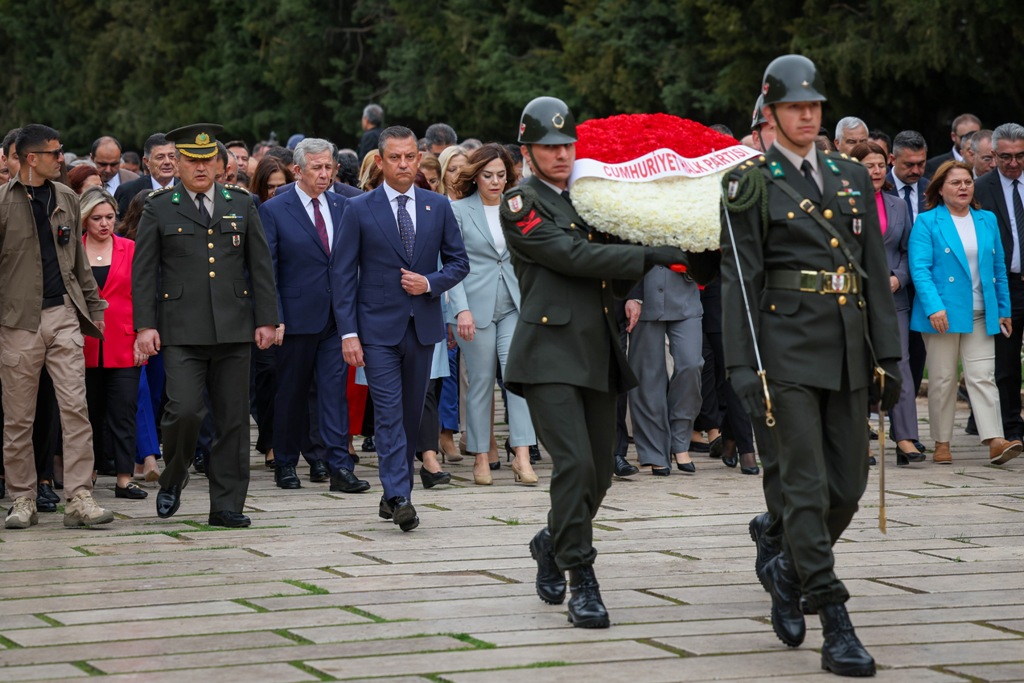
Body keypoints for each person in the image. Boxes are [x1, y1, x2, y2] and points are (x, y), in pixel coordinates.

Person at [501, 96, 715, 629]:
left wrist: (677, 237)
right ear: (528, 150)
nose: (561, 155)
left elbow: (611, 274)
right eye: (549, 147)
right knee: (574, 465)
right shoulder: (519, 202)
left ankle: (552, 539)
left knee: (599, 474)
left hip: (596, 348)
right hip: (548, 352)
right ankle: (583, 579)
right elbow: (570, 257)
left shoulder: (590, 202)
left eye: (567, 145)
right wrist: (651, 255)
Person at [721, 55, 901, 677]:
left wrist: (890, 355)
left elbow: (874, 273)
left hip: (849, 350)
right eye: (794, 106)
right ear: (770, 115)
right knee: (804, 486)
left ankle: (787, 568)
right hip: (785, 352)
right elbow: (740, 282)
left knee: (846, 489)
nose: (806, 114)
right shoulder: (751, 182)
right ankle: (835, 619)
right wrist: (744, 367)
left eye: (814, 105)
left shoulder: (852, 177)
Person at [133, 123, 278, 529]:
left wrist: (268, 318)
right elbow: (145, 272)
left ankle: (227, 504)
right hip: (180, 328)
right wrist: (145, 326)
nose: (200, 168)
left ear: (221, 164)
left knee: (233, 419)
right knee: (184, 410)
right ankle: (174, 475)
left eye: (208, 160)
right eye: (191, 160)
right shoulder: (160, 206)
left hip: (234, 326)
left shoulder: (241, 203)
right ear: (176, 164)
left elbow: (260, 267)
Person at [332, 125, 469, 533]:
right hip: (375, 328)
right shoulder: (359, 208)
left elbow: (459, 262)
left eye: (410, 156)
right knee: (389, 413)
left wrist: (429, 283)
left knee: (410, 415)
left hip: (422, 327)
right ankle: (400, 496)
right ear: (380, 160)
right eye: (395, 157)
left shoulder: (437, 206)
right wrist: (348, 332)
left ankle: (391, 492)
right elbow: (342, 275)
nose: (404, 164)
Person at [0, 124, 113, 529]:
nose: (61, 157)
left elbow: (79, 262)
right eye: (54, 152)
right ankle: (23, 499)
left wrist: (94, 308)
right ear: (32, 158)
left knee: (75, 409)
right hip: (16, 323)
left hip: (63, 315)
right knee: (18, 418)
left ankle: (80, 498)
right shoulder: (2, 202)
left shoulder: (66, 197)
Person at [260, 138, 369, 494]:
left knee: (333, 391)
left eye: (329, 168)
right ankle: (286, 462)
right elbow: (268, 269)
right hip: (294, 316)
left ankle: (339, 464)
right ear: (298, 170)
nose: (325, 175)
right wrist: (274, 315)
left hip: (337, 318)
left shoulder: (345, 204)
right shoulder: (276, 209)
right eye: (317, 168)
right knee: (290, 391)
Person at [908, 160, 1019, 465]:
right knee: (943, 379)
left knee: (983, 377)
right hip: (942, 313)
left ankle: (995, 440)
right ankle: (942, 442)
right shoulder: (928, 222)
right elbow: (920, 269)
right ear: (940, 189)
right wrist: (933, 307)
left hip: (982, 311)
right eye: (955, 183)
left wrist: (1003, 309)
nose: (963, 188)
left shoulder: (987, 220)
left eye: (968, 182)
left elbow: (998, 268)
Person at [448, 143, 538, 486]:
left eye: (502, 175)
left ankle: (523, 456)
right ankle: (481, 457)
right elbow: (452, 265)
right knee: (482, 381)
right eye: (488, 175)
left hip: (516, 303)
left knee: (518, 379)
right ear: (476, 176)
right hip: (474, 306)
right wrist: (461, 311)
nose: (496, 182)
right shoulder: (457, 210)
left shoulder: (517, 206)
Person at [851, 141, 926, 465]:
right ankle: (860, 442)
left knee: (899, 366)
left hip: (893, 298)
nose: (877, 171)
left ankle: (906, 438)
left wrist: (898, 276)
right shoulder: (844, 205)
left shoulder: (897, 205)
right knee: (857, 369)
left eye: (881, 164)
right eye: (869, 166)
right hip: (853, 299)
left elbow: (911, 250)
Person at [79, 187, 148, 499]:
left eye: (109, 217)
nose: (104, 223)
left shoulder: (130, 248)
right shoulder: (74, 250)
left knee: (123, 412)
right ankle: (87, 474)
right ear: (84, 220)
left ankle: (124, 477)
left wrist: (142, 337)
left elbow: (144, 295)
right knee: (87, 414)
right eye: (97, 218)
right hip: (83, 344)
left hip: (124, 342)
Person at [971, 123, 1024, 447]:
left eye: (1020, 156)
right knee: (1004, 360)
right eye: (1005, 157)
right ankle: (1010, 427)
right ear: (993, 155)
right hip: (1006, 284)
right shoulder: (980, 189)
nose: (1013, 163)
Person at [626, 265, 703, 476]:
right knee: (647, 376)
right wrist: (631, 295)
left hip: (685, 295)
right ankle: (654, 451)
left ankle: (680, 441)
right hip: (643, 296)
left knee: (691, 364)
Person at [115, 133, 178, 216]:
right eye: (160, 157)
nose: (167, 162)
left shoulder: (187, 190)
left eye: (171, 156)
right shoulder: (128, 192)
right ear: (146, 162)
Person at [925, 114, 982, 178]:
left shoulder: (990, 163)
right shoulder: (933, 165)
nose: (970, 141)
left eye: (975, 137)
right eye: (964, 137)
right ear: (953, 136)